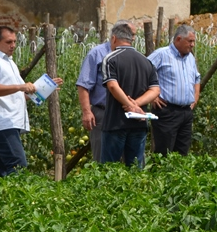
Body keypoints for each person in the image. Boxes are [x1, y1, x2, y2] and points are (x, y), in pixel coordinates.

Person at [0, 26, 62, 177]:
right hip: (1, 121)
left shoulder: (9, 63)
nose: (13, 45)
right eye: (9, 42)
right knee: (18, 166)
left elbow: (18, 95)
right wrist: (20, 86)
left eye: (14, 41)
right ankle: (18, 200)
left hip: (9, 122)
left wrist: (44, 89)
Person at [100, 22, 160, 167]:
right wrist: (136, 105)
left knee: (109, 169)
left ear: (114, 38)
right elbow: (155, 90)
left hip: (116, 123)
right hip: (139, 122)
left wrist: (130, 105)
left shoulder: (110, 59)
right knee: (135, 169)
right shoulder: (146, 61)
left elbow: (113, 86)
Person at [76, 20, 133, 163]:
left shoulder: (132, 54)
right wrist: (87, 112)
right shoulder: (97, 54)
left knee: (129, 161)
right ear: (114, 37)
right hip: (103, 113)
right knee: (103, 159)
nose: (131, 39)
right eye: (130, 36)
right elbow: (84, 85)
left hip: (127, 113)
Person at [147, 24, 201, 156]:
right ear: (178, 39)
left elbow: (197, 78)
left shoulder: (190, 58)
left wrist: (195, 97)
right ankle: (159, 177)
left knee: (182, 153)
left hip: (186, 112)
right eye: (190, 41)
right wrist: (152, 96)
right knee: (164, 153)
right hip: (167, 111)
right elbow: (143, 72)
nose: (192, 44)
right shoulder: (162, 54)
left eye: (193, 41)